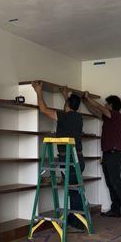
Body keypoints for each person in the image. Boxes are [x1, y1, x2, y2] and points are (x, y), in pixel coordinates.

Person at [32, 81, 86, 229]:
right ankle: (78, 218)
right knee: (75, 190)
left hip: (69, 158)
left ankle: (78, 222)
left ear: (67, 105)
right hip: (78, 158)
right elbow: (70, 108)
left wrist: (38, 92)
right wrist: (65, 95)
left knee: (73, 191)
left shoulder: (64, 115)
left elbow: (43, 109)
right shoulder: (78, 117)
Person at [82, 92, 121, 223]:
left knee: (116, 183)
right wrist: (85, 102)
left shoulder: (116, 115)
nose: (105, 105)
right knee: (110, 183)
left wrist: (88, 97)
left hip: (114, 154)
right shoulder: (107, 117)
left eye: (107, 103)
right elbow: (95, 111)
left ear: (111, 105)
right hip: (107, 154)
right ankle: (115, 210)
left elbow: (100, 108)